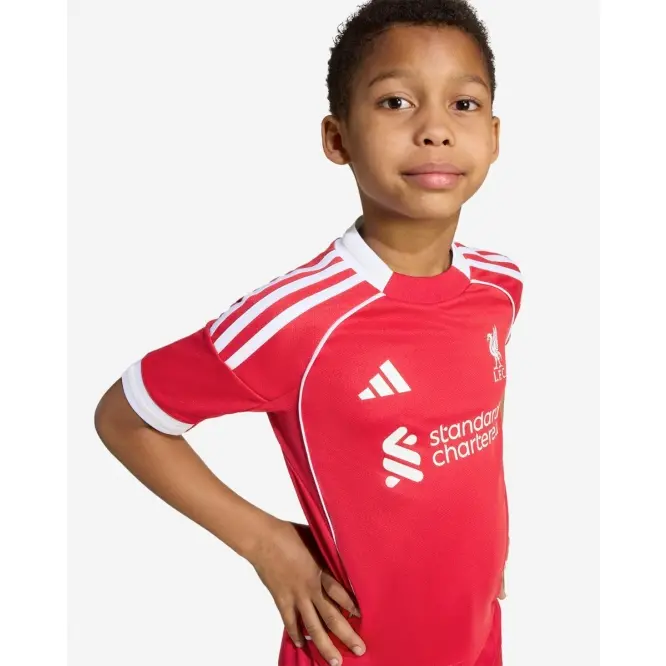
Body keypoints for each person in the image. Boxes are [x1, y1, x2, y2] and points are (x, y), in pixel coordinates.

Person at [94, 1, 524, 664]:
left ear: (493, 136)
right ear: (337, 138)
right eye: (396, 102)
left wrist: (480, 551)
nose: (435, 130)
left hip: (475, 638)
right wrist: (268, 545)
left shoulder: (500, 286)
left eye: (463, 105)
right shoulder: (298, 318)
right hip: (352, 647)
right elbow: (127, 418)